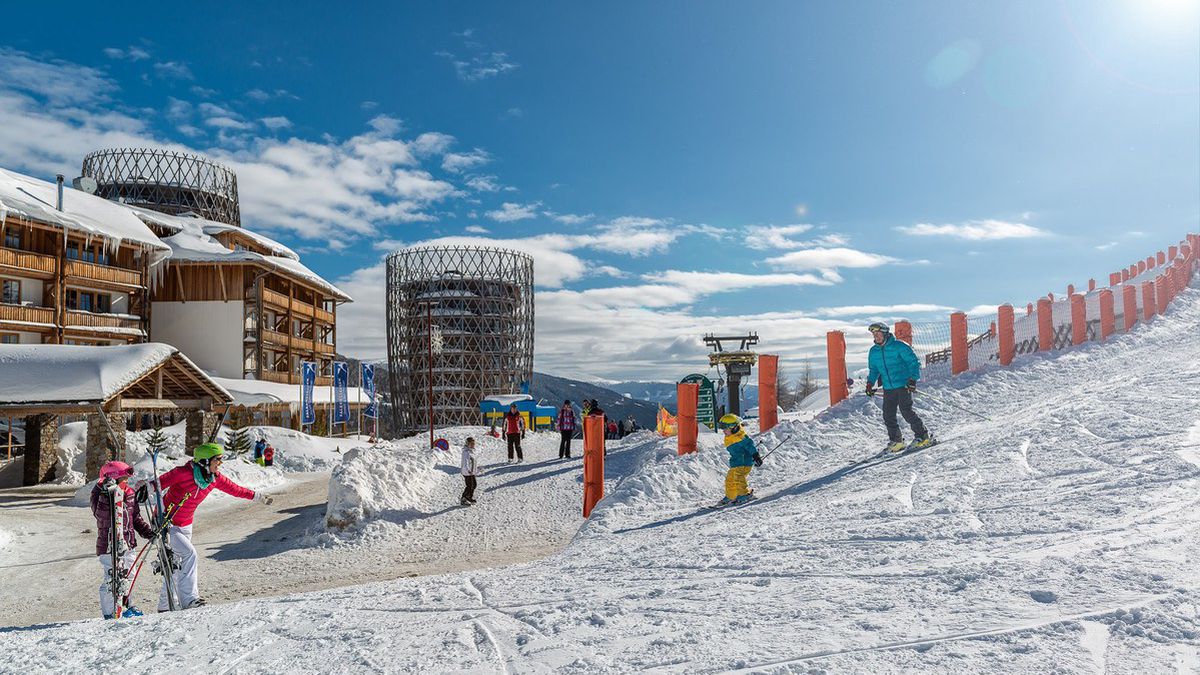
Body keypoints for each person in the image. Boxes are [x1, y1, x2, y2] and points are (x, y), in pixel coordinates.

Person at [156, 443, 273, 611]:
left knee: (175, 564)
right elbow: (157, 483)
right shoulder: (182, 473)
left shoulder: (213, 479)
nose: (220, 463)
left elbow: (236, 490)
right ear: (204, 461)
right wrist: (142, 490)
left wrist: (258, 496)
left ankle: (164, 605)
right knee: (190, 555)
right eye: (217, 459)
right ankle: (189, 599)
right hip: (167, 523)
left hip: (186, 525)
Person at [90, 461, 156, 619]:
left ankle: (126, 605)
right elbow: (101, 516)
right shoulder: (98, 493)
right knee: (112, 577)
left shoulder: (130, 492)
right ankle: (109, 611)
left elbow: (135, 518)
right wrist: (107, 495)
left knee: (129, 575)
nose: (127, 482)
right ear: (112, 479)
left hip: (128, 543)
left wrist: (148, 532)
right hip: (109, 544)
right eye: (124, 479)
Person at [864, 322, 933, 452]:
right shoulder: (873, 352)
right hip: (888, 387)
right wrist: (869, 383)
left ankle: (923, 436)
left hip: (903, 384)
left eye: (878, 334)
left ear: (885, 333)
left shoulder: (899, 346)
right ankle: (896, 441)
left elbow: (913, 362)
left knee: (906, 410)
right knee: (888, 414)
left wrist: (912, 379)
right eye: (874, 334)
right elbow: (873, 370)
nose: (876, 337)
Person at [716, 414, 762, 507]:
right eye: (723, 429)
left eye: (725, 429)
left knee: (738, 477)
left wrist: (756, 456)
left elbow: (751, 446)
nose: (723, 431)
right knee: (730, 479)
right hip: (736, 463)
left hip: (744, 462)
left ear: (734, 428)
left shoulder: (741, 437)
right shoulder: (729, 437)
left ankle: (744, 495)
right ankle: (731, 496)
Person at [460, 437, 479, 506]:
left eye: (473, 443)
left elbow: (473, 461)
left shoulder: (472, 451)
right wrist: (468, 470)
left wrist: (477, 469)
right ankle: (467, 498)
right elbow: (466, 463)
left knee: (474, 484)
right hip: (467, 472)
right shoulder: (466, 452)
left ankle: (465, 497)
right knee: (470, 486)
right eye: (471, 443)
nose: (473, 445)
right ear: (467, 444)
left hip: (471, 471)